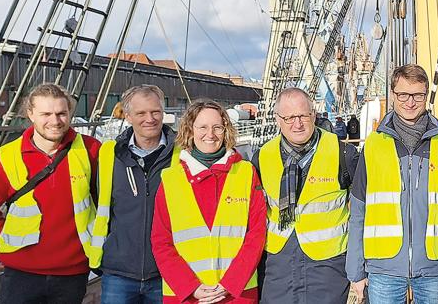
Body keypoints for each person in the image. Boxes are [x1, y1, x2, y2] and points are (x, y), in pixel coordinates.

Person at [346, 64, 438, 304]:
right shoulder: (374, 145)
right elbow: (358, 211)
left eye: (417, 95)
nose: (410, 102)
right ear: (393, 95)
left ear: (426, 95)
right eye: (403, 94)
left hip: (436, 269)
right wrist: (356, 270)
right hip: (383, 269)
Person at [0, 83, 101, 304]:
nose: (55, 121)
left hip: (72, 272)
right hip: (21, 273)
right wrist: (16, 237)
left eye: (61, 113)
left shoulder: (90, 150)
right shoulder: (9, 157)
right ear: (30, 114)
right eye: (46, 114)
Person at [152, 99, 266, 303]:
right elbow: (161, 242)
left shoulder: (246, 173)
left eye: (217, 127)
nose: (210, 134)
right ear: (190, 130)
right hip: (187, 295)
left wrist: (230, 283)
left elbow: (256, 234)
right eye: (202, 127)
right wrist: (190, 287)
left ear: (226, 130)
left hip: (237, 293)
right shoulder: (170, 179)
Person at [252, 88, 360, 303]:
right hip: (278, 264)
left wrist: (358, 267)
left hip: (327, 266)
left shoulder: (343, 154)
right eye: (290, 117)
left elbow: (362, 214)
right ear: (278, 119)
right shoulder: (262, 157)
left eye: (303, 116)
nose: (297, 124)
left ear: (313, 115)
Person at [91, 85, 177, 303]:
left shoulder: (182, 154)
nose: (150, 118)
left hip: (167, 271)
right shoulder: (110, 154)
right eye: (141, 113)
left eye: (155, 112)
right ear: (128, 116)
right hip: (118, 272)